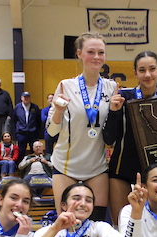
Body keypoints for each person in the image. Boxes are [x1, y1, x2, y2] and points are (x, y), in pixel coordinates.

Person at [47, 31, 118, 221]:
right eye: (91, 52)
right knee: (67, 225)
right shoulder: (65, 86)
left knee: (96, 226)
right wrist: (59, 111)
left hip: (97, 168)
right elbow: (51, 131)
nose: (96, 57)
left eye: (101, 52)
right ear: (79, 54)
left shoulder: (112, 87)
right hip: (65, 167)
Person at [103, 51, 157, 227]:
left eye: (152, 69)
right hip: (121, 170)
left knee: (153, 228)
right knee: (121, 228)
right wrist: (114, 111)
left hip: (153, 174)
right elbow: (108, 137)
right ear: (135, 73)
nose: (147, 75)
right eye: (142, 70)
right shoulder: (123, 96)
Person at [11, 91, 41, 160]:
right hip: (21, 133)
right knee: (21, 151)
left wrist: (35, 129)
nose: (26, 99)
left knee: (34, 150)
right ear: (21, 98)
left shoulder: (35, 107)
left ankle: (34, 166)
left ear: (30, 98)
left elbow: (38, 120)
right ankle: (21, 167)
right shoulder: (17, 107)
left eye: (27, 97)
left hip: (33, 133)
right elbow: (14, 119)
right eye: (24, 97)